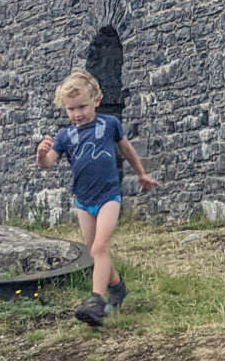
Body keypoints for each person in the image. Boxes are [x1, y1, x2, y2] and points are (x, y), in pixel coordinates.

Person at [35, 68, 159, 324]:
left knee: (101, 246)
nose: (77, 114)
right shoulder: (64, 136)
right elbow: (48, 164)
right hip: (83, 200)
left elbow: (126, 149)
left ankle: (96, 301)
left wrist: (141, 174)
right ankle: (117, 286)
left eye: (82, 106)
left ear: (96, 101)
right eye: (71, 109)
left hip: (108, 197)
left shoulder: (109, 124)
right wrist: (41, 155)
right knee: (94, 251)